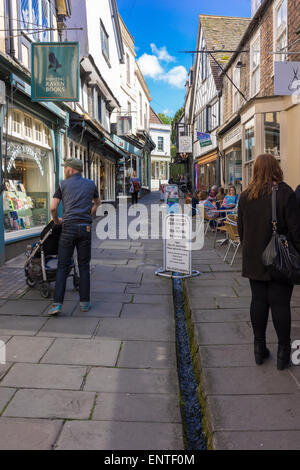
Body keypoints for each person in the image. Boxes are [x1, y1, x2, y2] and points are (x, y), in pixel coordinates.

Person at [237, 154, 300, 370]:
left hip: (254, 259)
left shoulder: (245, 196)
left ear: (255, 170)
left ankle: (259, 349)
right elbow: (296, 230)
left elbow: (241, 231)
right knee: (280, 305)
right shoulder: (285, 192)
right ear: (276, 168)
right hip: (279, 260)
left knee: (258, 302)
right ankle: (283, 353)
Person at [48, 158, 101, 316]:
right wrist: (87, 215)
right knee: (84, 266)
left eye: (65, 168)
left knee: (63, 266)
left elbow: (53, 208)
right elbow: (98, 203)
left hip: (68, 228)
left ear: (70, 170)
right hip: (85, 228)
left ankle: (57, 304)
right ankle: (84, 303)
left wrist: (57, 221)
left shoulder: (63, 184)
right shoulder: (91, 184)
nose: (65, 170)